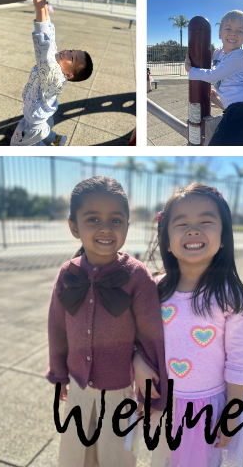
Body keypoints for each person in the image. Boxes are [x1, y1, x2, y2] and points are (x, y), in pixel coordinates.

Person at [46, 177, 167, 467]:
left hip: (120, 393)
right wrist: (59, 372)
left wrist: (150, 393)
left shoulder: (138, 277)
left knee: (117, 458)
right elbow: (57, 327)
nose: (105, 227)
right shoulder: (67, 274)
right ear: (74, 226)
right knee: (76, 455)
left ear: (127, 225)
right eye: (92, 219)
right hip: (78, 388)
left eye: (116, 219)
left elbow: (151, 335)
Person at [134, 184, 243, 467]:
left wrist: (231, 414)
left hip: (209, 408)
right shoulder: (154, 289)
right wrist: (139, 364)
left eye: (206, 221)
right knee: (162, 460)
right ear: (166, 241)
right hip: (165, 403)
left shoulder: (231, 296)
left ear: (224, 237)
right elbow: (139, 338)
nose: (193, 230)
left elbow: (239, 361)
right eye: (182, 223)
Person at [11, 0, 92, 146]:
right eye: (71, 50)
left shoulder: (53, 74)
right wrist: (44, 5)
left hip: (34, 123)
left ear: (68, 75)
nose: (67, 53)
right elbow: (50, 35)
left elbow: (44, 47)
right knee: (43, 132)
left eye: (72, 58)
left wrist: (39, 8)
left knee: (18, 145)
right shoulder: (57, 64)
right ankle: (56, 139)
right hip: (41, 117)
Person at [183, 10, 243, 146]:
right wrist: (218, 93)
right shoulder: (218, 53)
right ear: (220, 33)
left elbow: (212, 75)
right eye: (228, 29)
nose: (233, 33)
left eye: (240, 31)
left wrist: (191, 70)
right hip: (236, 110)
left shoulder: (239, 56)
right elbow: (230, 80)